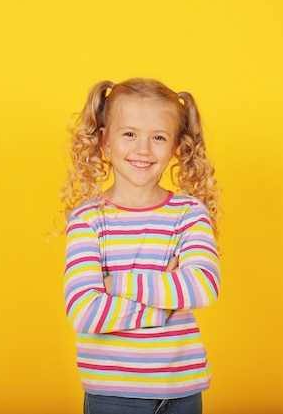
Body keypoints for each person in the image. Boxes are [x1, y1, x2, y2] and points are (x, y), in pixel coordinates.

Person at [61, 78, 220, 414]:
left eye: (159, 137)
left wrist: (115, 285)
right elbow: (85, 311)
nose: (143, 150)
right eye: (129, 134)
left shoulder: (189, 214)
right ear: (105, 140)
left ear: (177, 145)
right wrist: (168, 299)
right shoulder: (87, 221)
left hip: (182, 390)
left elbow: (203, 286)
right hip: (112, 395)